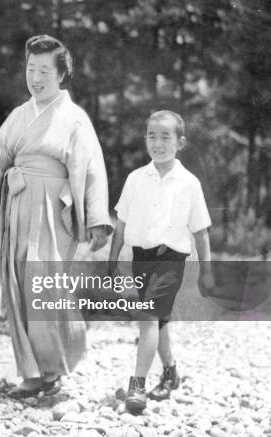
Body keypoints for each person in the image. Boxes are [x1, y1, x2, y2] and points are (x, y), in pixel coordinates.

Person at [0, 35, 113, 398]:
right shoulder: (19, 116)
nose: (35, 77)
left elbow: (92, 169)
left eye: (44, 70)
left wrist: (99, 218)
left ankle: (56, 363)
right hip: (18, 206)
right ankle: (34, 372)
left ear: (61, 75)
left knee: (44, 283)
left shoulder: (74, 118)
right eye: (30, 69)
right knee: (18, 284)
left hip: (54, 211)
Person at [108, 110, 214, 413]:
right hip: (141, 259)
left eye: (165, 137)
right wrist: (112, 261)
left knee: (148, 317)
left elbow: (201, 232)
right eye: (152, 136)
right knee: (158, 320)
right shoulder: (135, 179)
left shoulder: (189, 183)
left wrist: (207, 272)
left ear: (180, 142)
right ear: (145, 140)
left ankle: (137, 385)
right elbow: (121, 224)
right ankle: (170, 372)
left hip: (171, 260)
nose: (158, 142)